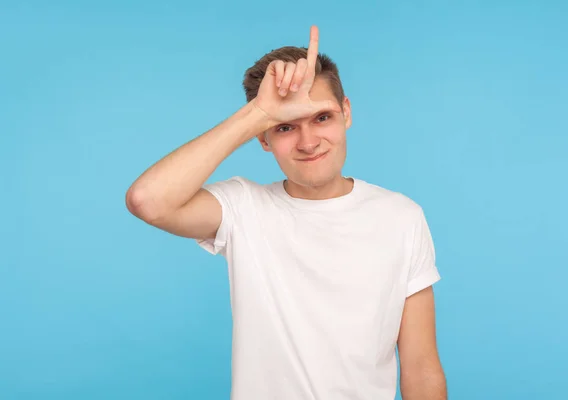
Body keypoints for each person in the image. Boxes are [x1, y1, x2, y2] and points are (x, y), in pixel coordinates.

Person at [126, 25, 447, 400]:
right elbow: (148, 201)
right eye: (284, 127)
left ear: (346, 113)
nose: (308, 142)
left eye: (322, 117)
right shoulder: (243, 207)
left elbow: (421, 368)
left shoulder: (401, 218)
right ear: (263, 138)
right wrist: (257, 113)